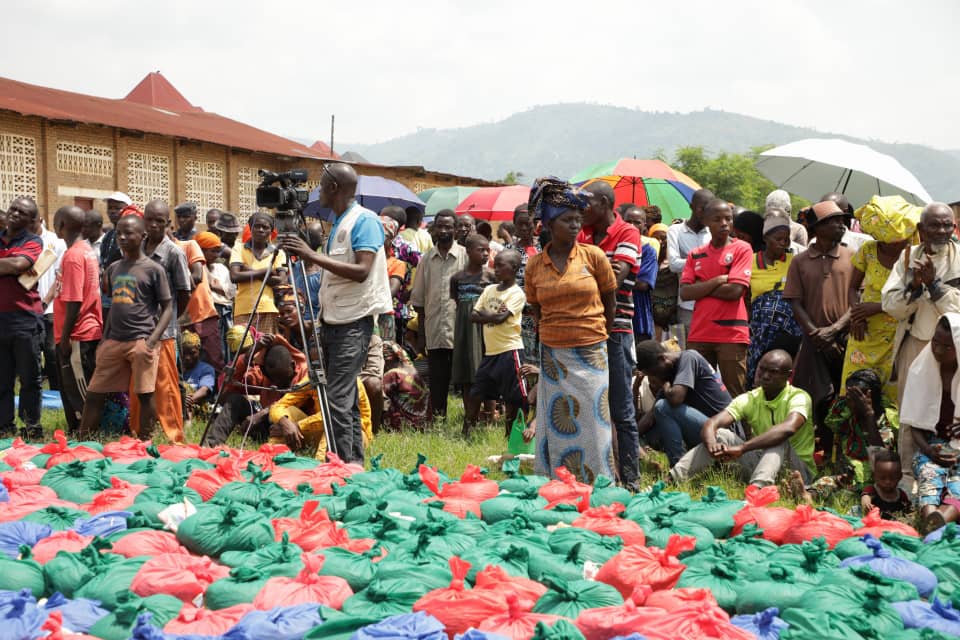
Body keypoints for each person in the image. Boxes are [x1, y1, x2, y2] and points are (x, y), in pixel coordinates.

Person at [277, 162, 392, 463]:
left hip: (353, 323)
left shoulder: (363, 221)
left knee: (338, 398)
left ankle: (342, 465)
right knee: (343, 398)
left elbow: (363, 270)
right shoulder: (340, 223)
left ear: (333, 188)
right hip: (334, 320)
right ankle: (352, 462)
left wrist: (311, 255)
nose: (316, 191)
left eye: (321, 185)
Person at [524, 177, 617, 482]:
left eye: (578, 220)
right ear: (550, 224)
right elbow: (536, 307)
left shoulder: (594, 256)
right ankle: (560, 480)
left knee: (593, 421)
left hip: (591, 351)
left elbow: (609, 297)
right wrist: (552, 331)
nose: (576, 225)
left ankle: (599, 481)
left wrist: (600, 329)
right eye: (567, 220)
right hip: (554, 356)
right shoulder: (535, 265)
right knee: (558, 419)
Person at [882, 202, 960, 492]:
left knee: (954, 409)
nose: (941, 231)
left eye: (947, 225)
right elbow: (890, 306)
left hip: (955, 347)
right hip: (916, 342)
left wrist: (936, 286)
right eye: (934, 225)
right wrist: (914, 287)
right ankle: (907, 478)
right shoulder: (906, 259)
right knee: (911, 410)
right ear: (920, 229)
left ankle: (952, 476)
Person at [79, 214, 172, 440]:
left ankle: (144, 445)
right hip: (114, 341)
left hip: (142, 341)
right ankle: (81, 442)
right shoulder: (113, 269)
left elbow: (167, 307)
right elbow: (116, 305)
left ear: (143, 235)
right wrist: (105, 338)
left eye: (128, 233)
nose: (122, 237)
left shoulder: (153, 269)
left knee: (144, 395)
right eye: (119, 232)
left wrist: (151, 341)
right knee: (94, 393)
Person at [670, 349, 815, 488]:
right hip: (763, 465)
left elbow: (788, 428)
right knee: (721, 434)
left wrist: (742, 447)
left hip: (797, 473)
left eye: (773, 372)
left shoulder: (798, 397)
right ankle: (670, 480)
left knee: (779, 440)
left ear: (788, 375)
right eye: (762, 369)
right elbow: (713, 423)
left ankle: (755, 494)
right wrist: (712, 444)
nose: (765, 376)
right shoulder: (751, 398)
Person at [579, 180, 642, 486]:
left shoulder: (628, 232)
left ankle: (631, 480)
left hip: (616, 331)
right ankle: (602, 474)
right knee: (591, 408)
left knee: (621, 410)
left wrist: (586, 273)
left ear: (604, 204)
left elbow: (617, 277)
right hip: (588, 330)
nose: (581, 210)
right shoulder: (583, 234)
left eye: (587, 203)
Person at [783, 199, 854, 443]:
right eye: (833, 221)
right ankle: (821, 447)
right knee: (817, 396)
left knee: (845, 395)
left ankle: (843, 449)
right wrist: (818, 335)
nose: (841, 225)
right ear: (817, 227)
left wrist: (834, 330)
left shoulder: (852, 256)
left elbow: (859, 300)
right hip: (813, 341)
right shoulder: (800, 261)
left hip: (845, 337)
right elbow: (795, 302)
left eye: (841, 220)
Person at [127, 200, 192, 444]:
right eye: (149, 220)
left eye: (159, 221)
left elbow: (184, 292)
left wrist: (170, 320)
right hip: (138, 330)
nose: (154, 225)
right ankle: (138, 432)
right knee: (138, 385)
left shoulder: (173, 252)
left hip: (163, 333)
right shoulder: (137, 247)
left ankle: (173, 436)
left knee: (165, 387)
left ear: (168, 224)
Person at [841, 197, 917, 402]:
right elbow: (851, 288)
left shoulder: (913, 255)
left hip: (898, 333)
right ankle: (852, 432)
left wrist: (878, 307)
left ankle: (884, 433)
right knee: (856, 388)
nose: (903, 242)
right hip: (864, 332)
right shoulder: (868, 251)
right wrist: (857, 316)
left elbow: (914, 297)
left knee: (889, 393)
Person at [680, 199, 752, 396]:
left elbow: (735, 291)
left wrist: (700, 287)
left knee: (735, 394)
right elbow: (685, 293)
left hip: (731, 334)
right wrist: (718, 280)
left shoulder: (742, 248)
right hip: (699, 332)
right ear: (705, 221)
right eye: (717, 219)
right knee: (700, 393)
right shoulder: (695, 254)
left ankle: (742, 429)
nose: (724, 224)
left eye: (728, 219)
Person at [900, 314, 960, 530]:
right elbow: (914, 424)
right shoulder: (921, 370)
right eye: (935, 342)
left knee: (958, 481)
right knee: (928, 472)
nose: (938, 350)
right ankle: (931, 518)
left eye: (947, 346)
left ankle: (940, 520)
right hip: (933, 446)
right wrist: (929, 451)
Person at [635, 339, 735, 467]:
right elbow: (649, 418)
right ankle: (698, 463)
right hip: (704, 430)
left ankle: (678, 468)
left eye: (654, 373)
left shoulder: (688, 358)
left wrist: (664, 386)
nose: (655, 378)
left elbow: (676, 399)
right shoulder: (669, 375)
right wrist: (630, 436)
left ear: (662, 358)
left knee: (663, 407)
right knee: (650, 433)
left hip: (723, 434)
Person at [265, 342, 374, 456]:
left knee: (335, 426)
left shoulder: (349, 381)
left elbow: (335, 415)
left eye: (321, 363)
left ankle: (321, 466)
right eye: (314, 364)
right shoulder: (312, 378)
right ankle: (270, 456)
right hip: (320, 429)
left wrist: (298, 426)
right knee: (288, 413)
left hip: (353, 433)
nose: (318, 369)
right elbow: (279, 405)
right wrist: (284, 422)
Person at [411, 209, 467, 417]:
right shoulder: (427, 259)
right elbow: (419, 299)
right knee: (437, 378)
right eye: (440, 226)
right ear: (434, 229)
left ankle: (468, 418)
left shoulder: (465, 255)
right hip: (434, 328)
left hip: (460, 329)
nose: (444, 230)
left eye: (448, 227)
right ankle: (438, 417)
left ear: (455, 229)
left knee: (465, 378)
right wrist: (422, 335)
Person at [465, 249, 527, 436]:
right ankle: (467, 430)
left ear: (514, 268)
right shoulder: (489, 289)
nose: (496, 269)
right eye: (495, 265)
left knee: (514, 397)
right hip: (491, 352)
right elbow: (472, 315)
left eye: (501, 265)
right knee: (477, 392)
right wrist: (492, 316)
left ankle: (512, 434)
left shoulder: (517, 293)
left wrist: (488, 315)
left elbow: (501, 318)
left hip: (510, 350)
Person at [52, 206, 103, 433]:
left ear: (61, 225)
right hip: (82, 330)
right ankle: (77, 430)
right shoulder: (87, 250)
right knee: (72, 386)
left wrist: (65, 338)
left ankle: (88, 433)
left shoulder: (73, 256)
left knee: (79, 389)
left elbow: (74, 301)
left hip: (78, 333)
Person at [0, 197, 45, 439]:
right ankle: (4, 427)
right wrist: (9, 266)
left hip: (25, 319)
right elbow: (12, 265)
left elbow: (19, 264)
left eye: (23, 212)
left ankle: (31, 428)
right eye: (13, 209)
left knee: (30, 378)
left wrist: (14, 265)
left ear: (30, 221)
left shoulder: (33, 241)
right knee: (2, 378)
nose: (15, 213)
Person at [746, 209, 802, 387]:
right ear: (765, 239)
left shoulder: (795, 261)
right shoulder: (751, 261)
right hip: (760, 326)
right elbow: (745, 296)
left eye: (787, 239)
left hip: (789, 328)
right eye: (779, 239)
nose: (784, 243)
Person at [450, 234, 495, 415]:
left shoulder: (492, 277)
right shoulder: (457, 278)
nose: (485, 254)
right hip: (465, 329)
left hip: (486, 328)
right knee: (467, 369)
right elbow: (458, 302)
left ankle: (490, 412)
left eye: (487, 250)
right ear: (468, 252)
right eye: (481, 250)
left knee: (488, 367)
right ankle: (470, 414)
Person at [230, 212, 286, 334]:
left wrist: (246, 269)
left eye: (265, 227)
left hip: (268, 309)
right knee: (244, 349)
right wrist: (266, 271)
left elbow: (281, 281)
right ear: (250, 228)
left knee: (266, 348)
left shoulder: (278, 252)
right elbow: (234, 276)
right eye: (257, 226)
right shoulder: (239, 248)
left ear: (271, 231)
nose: (261, 230)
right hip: (243, 309)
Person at [666, 188, 714, 331]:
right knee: (688, 348)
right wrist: (704, 260)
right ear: (691, 207)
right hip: (687, 305)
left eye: (709, 209)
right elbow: (673, 264)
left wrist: (690, 261)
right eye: (702, 209)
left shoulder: (713, 233)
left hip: (712, 303)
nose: (706, 213)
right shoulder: (675, 230)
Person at [504, 203, 542, 364]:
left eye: (529, 223)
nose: (525, 228)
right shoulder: (507, 250)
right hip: (516, 315)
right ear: (514, 224)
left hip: (541, 314)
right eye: (521, 224)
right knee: (519, 361)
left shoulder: (544, 247)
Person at [177, 235, 222, 370]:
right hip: (182, 316)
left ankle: (218, 389)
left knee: (214, 358)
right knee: (185, 359)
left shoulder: (189, 246)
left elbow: (197, 276)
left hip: (203, 313)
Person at [35, 215, 67, 393]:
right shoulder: (22, 241)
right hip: (29, 307)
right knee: (32, 352)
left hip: (51, 307)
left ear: (39, 219)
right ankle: (37, 392)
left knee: (51, 351)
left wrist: (46, 300)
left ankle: (57, 391)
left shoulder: (56, 242)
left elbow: (59, 276)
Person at [623, 206, 658, 343]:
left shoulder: (648, 251)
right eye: (628, 221)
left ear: (644, 225)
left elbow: (643, 284)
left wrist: (617, 277)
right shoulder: (616, 246)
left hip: (639, 313)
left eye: (637, 222)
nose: (632, 226)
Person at [382, 340, 429, 430]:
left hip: (403, 425)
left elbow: (378, 396)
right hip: (423, 424)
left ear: (386, 359)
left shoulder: (393, 375)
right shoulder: (414, 371)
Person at [380, 215, 410, 342]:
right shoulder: (364, 261)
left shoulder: (396, 264)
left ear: (389, 240)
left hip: (384, 316)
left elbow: (391, 291)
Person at [860, 451, 913, 520]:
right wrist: (866, 504)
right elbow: (865, 496)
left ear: (900, 477)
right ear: (874, 476)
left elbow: (908, 511)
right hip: (874, 523)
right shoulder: (873, 490)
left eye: (892, 478)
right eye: (882, 478)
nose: (887, 482)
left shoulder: (901, 495)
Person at [649, 222, 678, 339]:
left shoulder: (675, 264)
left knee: (674, 351)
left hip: (673, 315)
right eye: (655, 238)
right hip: (651, 314)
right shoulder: (647, 264)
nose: (660, 242)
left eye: (664, 238)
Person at [180, 330, 215, 421]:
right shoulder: (176, 368)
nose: (187, 357)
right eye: (184, 353)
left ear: (199, 352)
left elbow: (204, 390)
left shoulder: (206, 369)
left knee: (186, 391)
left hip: (196, 405)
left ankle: (187, 431)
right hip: (178, 402)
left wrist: (187, 400)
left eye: (192, 353)